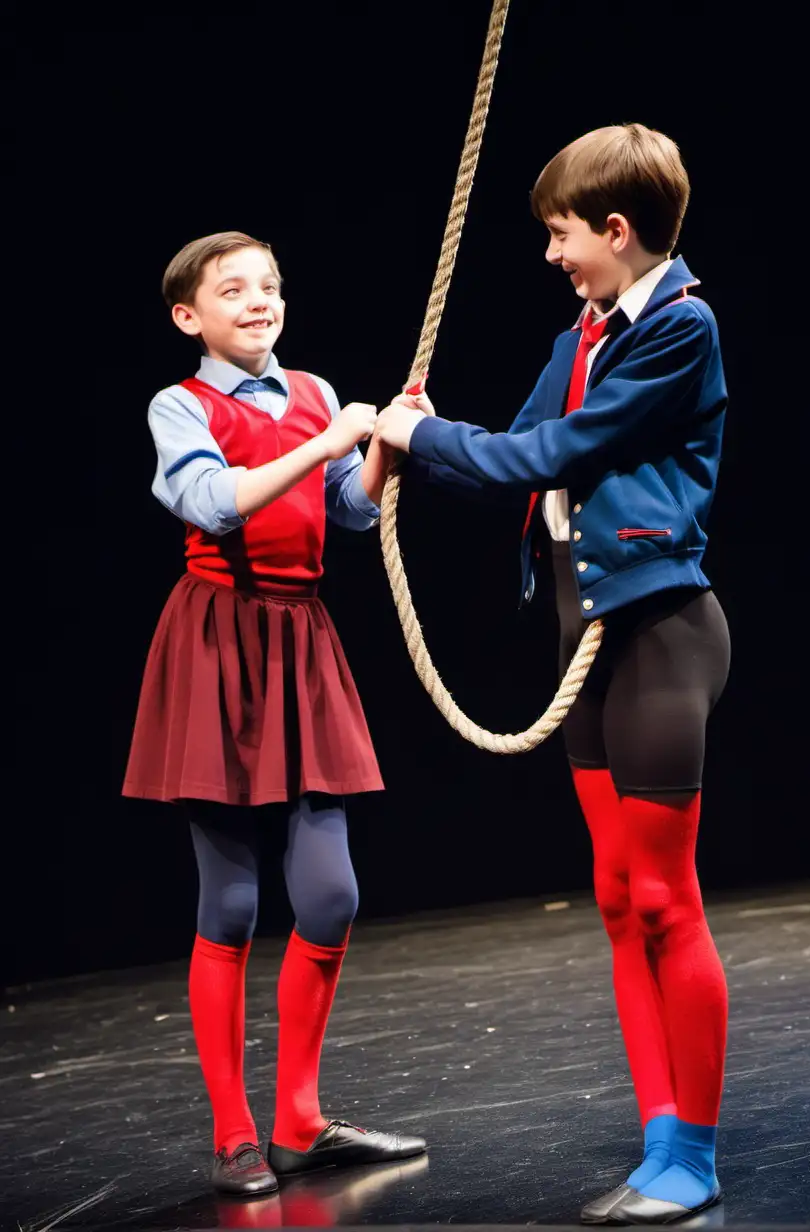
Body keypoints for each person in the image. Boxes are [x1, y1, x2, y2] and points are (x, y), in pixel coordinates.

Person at [376, 124, 730, 1225]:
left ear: (616, 231)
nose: (551, 253)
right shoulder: (579, 333)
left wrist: (422, 439)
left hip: (658, 635)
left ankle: (695, 1153)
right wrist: (424, 435)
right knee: (620, 899)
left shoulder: (679, 329)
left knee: (668, 895)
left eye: (561, 233)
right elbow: (506, 461)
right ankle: (656, 1136)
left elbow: (549, 455)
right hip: (582, 638)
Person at [124, 231, 426, 1197]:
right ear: (190, 315)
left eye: (271, 286)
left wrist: (376, 451)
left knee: (331, 896)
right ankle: (232, 1133)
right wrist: (327, 442)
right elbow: (211, 503)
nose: (260, 301)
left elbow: (348, 511)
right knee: (234, 902)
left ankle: (300, 1119)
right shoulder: (182, 404)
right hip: (216, 645)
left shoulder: (314, 393)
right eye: (234, 289)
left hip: (301, 643)